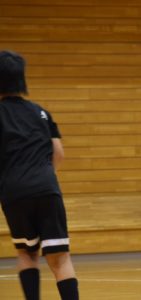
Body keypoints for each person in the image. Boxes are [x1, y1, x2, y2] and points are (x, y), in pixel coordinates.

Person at [0, 50, 79, 300]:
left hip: (14, 191)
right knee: (60, 258)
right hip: (46, 187)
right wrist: (43, 176)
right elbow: (58, 153)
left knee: (26, 253)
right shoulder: (40, 113)